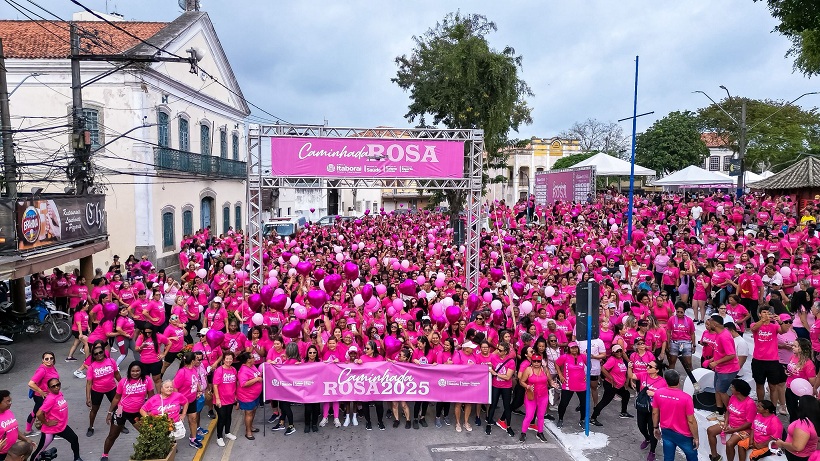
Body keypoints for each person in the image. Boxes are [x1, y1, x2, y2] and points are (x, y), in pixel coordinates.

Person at [101, 362, 153, 461]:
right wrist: (109, 412)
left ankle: (150, 452)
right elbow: (116, 398)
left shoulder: (147, 380)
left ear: (141, 371)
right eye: (133, 371)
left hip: (137, 412)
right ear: (129, 371)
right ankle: (105, 455)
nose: (135, 373)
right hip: (121, 410)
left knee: (147, 434)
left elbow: (151, 397)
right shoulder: (123, 382)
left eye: (138, 371)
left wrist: (150, 412)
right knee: (112, 435)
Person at [652, 370, 699, 461]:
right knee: (692, 457)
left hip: (667, 431)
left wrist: (655, 427)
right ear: (678, 380)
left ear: (666, 381)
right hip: (684, 435)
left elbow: (655, 413)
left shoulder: (658, 393)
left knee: (668, 457)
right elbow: (691, 420)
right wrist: (696, 437)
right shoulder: (686, 398)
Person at [31, 378, 81, 461]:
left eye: (58, 384)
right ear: (49, 388)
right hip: (50, 430)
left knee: (74, 439)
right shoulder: (50, 399)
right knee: (39, 451)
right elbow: (39, 413)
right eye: (53, 386)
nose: (56, 387)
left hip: (61, 426)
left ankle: (77, 458)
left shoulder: (59, 394)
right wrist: (47, 423)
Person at [706, 379, 755, 461]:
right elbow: (728, 411)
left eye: (732, 387)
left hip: (743, 429)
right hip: (730, 424)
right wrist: (725, 423)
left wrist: (734, 430)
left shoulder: (750, 404)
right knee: (710, 430)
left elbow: (749, 423)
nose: (730, 388)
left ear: (738, 391)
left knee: (729, 444)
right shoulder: (733, 397)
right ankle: (715, 456)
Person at [750, 306, 788, 407]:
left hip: (772, 360)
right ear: (759, 314)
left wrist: (779, 321)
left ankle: (773, 407)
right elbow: (753, 328)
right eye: (764, 312)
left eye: (768, 312)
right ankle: (761, 405)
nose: (766, 314)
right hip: (758, 360)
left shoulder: (774, 326)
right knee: (759, 384)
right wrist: (763, 320)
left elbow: (784, 330)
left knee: (773, 386)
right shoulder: (755, 324)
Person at [589, 344, 632, 426]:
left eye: (620, 351)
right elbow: (603, 368)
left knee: (626, 394)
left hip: (619, 384)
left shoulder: (621, 359)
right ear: (613, 352)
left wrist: (626, 381)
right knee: (605, 401)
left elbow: (624, 371)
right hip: (611, 384)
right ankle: (593, 418)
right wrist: (611, 378)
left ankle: (623, 412)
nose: (619, 353)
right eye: (617, 351)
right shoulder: (612, 360)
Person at [84, 344, 120, 437]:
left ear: (104, 352)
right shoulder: (92, 367)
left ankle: (120, 424)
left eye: (100, 352)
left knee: (119, 406)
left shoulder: (111, 361)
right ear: (93, 356)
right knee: (94, 409)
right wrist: (88, 397)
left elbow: (117, 374)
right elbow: (88, 383)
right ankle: (91, 427)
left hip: (112, 388)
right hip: (97, 390)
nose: (99, 355)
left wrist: (123, 385)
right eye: (96, 354)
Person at [708, 315, 739, 423]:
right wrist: (713, 359)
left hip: (728, 369)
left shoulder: (724, 336)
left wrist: (716, 362)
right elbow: (719, 351)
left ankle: (730, 413)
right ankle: (719, 411)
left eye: (710, 322)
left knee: (722, 391)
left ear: (715, 324)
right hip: (720, 368)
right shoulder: (718, 334)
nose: (708, 324)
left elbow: (731, 354)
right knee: (717, 389)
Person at [635, 360, 667, 461]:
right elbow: (631, 376)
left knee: (653, 429)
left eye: (650, 366)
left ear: (656, 370)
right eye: (648, 365)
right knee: (641, 426)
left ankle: (652, 451)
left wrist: (654, 394)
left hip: (654, 410)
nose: (647, 367)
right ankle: (647, 438)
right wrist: (630, 367)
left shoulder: (662, 382)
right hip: (642, 406)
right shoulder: (643, 375)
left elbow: (665, 396)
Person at [173, 352, 204, 449]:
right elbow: (175, 387)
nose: (198, 361)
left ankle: (193, 438)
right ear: (192, 361)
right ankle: (172, 443)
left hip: (192, 399)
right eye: (197, 359)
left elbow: (196, 382)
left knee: (193, 419)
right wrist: (178, 402)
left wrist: (199, 391)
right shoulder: (182, 372)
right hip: (182, 402)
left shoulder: (193, 369)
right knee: (177, 422)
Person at [774, 395, 820, 461]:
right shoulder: (815, 419)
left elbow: (797, 447)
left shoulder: (803, 424)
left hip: (798, 456)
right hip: (808, 453)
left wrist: (782, 443)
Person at [517, 353, 550, 443]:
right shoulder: (528, 370)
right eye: (534, 361)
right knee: (529, 415)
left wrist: (553, 384)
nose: (536, 363)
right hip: (531, 396)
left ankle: (540, 432)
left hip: (543, 396)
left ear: (541, 362)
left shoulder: (545, 369)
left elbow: (550, 380)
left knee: (541, 416)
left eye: (538, 361)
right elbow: (521, 381)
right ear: (531, 361)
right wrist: (527, 386)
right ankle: (523, 433)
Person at [555, 341, 587, 428]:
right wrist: (560, 375)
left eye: (576, 347)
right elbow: (557, 364)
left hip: (581, 385)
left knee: (584, 404)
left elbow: (589, 365)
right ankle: (560, 419)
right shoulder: (564, 357)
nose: (574, 349)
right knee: (563, 403)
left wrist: (587, 375)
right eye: (572, 348)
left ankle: (582, 420)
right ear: (569, 349)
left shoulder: (583, 357)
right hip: (568, 384)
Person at [486, 341, 515, 437]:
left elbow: (508, 377)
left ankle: (509, 426)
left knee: (507, 406)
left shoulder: (511, 362)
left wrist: (495, 373)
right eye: (497, 349)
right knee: (493, 405)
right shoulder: (494, 357)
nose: (497, 351)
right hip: (495, 385)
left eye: (500, 350)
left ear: (506, 352)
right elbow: (487, 363)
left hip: (506, 387)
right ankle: (489, 424)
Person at [26, 352, 59, 436]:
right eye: (46, 359)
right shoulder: (42, 370)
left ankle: (29, 430)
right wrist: (41, 392)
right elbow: (31, 383)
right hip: (40, 397)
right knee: (38, 412)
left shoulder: (51, 367)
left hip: (48, 396)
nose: (49, 360)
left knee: (37, 411)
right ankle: (46, 431)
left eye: (51, 358)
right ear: (43, 360)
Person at [212, 351, 238, 446]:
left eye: (230, 359)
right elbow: (215, 385)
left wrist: (235, 395)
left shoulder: (234, 370)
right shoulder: (219, 370)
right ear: (223, 360)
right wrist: (218, 399)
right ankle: (219, 437)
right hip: (221, 400)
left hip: (230, 399)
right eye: (227, 359)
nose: (228, 360)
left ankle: (227, 432)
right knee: (222, 417)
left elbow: (235, 383)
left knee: (228, 416)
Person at [0, 390, 33, 461]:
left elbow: (14, 429)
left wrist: (27, 439)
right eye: (7, 401)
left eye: (10, 400)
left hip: (13, 452)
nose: (10, 403)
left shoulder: (8, 412)